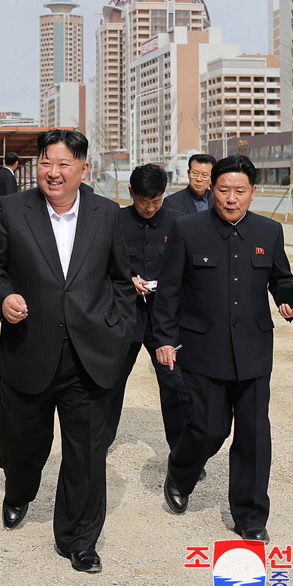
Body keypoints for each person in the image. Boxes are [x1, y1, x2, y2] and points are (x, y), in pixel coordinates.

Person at [0, 129, 134, 575]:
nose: (53, 172)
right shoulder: (12, 209)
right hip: (30, 347)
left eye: (64, 164)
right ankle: (18, 488)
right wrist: (3, 296)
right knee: (21, 442)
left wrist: (118, 330)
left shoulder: (107, 214)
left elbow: (122, 279)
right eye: (47, 162)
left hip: (90, 354)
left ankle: (79, 539)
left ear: (83, 169)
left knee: (86, 452)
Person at [153, 155, 293, 542]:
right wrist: (165, 339)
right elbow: (168, 290)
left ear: (253, 192)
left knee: (254, 435)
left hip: (253, 350)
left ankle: (250, 516)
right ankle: (180, 474)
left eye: (239, 191)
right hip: (203, 349)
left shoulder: (269, 232)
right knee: (208, 430)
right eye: (223, 190)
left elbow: (281, 278)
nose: (231, 198)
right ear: (211, 189)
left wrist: (288, 299)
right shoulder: (186, 229)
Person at [105, 163, 190, 451]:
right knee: (109, 383)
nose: (151, 207)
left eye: (156, 201)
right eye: (144, 201)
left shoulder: (180, 223)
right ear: (131, 193)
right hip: (124, 317)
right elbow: (100, 266)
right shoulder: (114, 221)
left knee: (175, 385)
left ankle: (181, 452)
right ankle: (98, 444)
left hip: (165, 321)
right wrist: (128, 280)